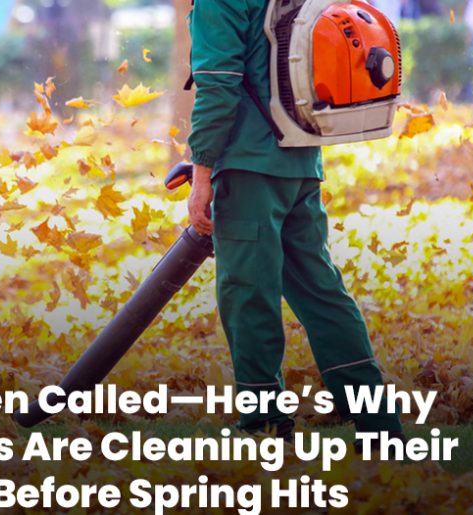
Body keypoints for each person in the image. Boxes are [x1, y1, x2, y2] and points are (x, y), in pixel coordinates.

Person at [184, 0, 404, 448]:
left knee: (248, 292)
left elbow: (219, 85)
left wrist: (202, 172)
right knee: (320, 289)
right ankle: (379, 426)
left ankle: (264, 424)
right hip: (302, 155)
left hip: (249, 165)